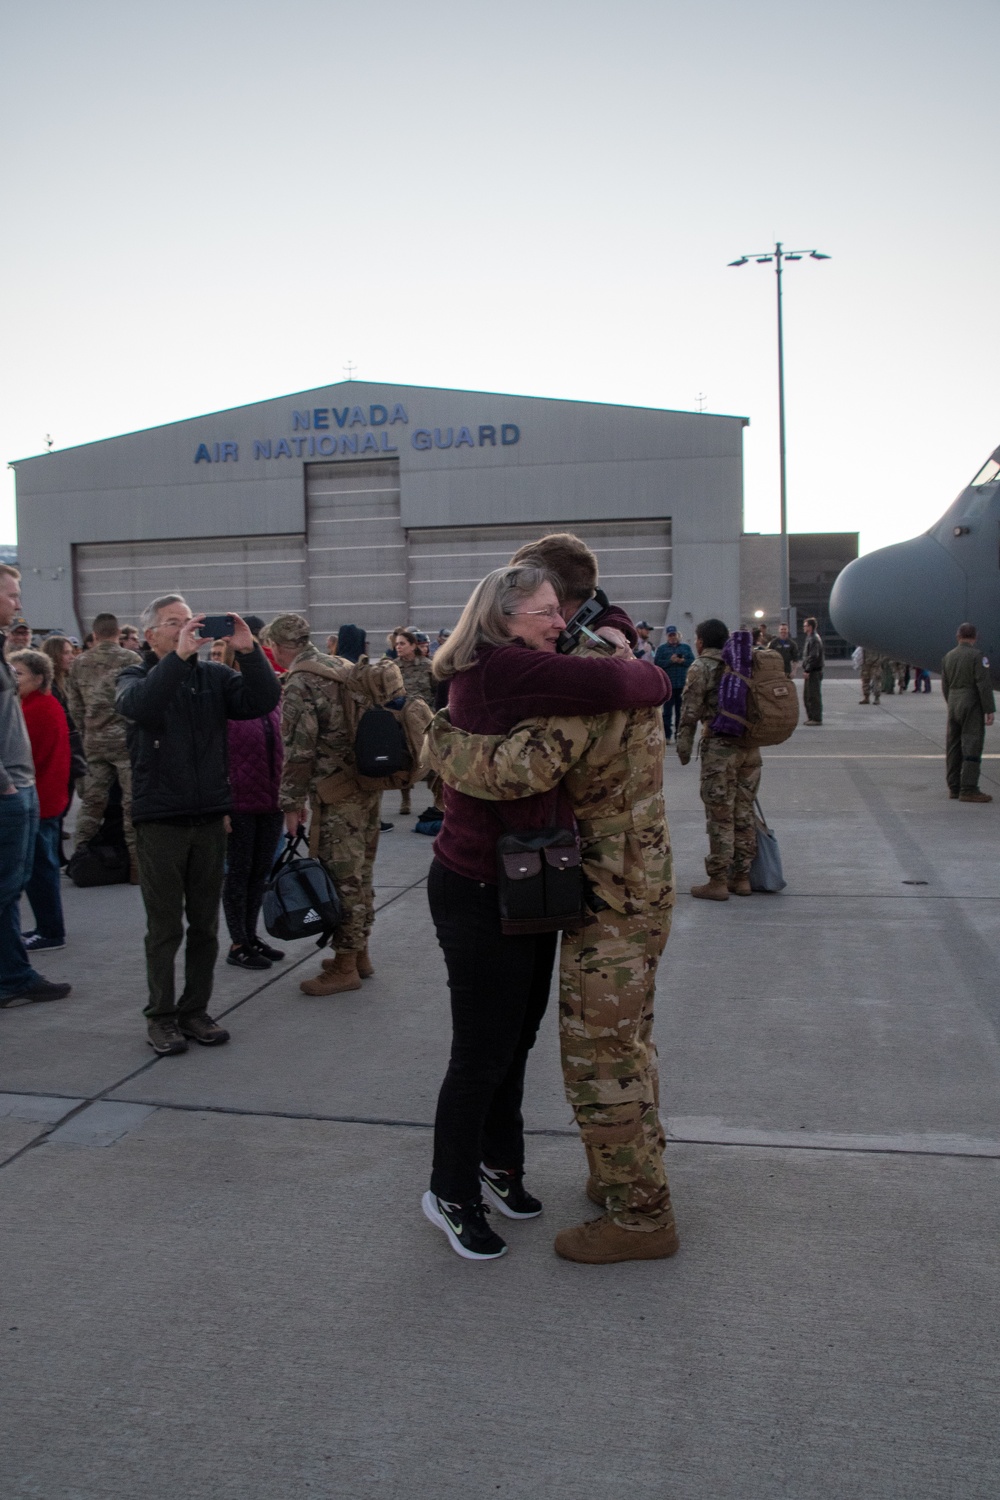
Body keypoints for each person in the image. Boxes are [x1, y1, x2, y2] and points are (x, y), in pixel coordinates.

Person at [426, 545, 678, 1265]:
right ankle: (619, 1176)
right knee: (627, 1043)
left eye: (546, 607)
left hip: (604, 887)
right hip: (638, 877)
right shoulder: (612, 655)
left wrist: (435, 737)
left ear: (559, 610)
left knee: (603, 1056)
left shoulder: (586, 681)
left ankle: (640, 1211)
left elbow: (516, 770)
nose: (547, 622)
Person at [116, 595, 281, 1055]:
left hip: (209, 816)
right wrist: (181, 658)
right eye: (172, 623)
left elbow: (262, 700)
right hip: (161, 820)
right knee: (166, 927)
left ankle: (194, 1010)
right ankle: (161, 1017)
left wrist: (248, 651)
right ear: (150, 635)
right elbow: (142, 706)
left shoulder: (214, 677)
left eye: (187, 620)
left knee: (206, 927)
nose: (184, 628)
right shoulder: (134, 676)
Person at [271, 612, 403, 996]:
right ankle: (359, 953)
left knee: (342, 879)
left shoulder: (301, 680)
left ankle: (344, 966)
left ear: (280, 647)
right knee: (360, 874)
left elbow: (299, 750)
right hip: (366, 784)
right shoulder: (343, 666)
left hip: (335, 793)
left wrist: (291, 803)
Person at [0, 564, 72, 1006]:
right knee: (5, 889)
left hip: (18, 789)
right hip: (8, 790)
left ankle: (14, 975)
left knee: (10, 889)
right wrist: (6, 783)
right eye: (11, 595)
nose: (18, 603)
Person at [676, 618, 761, 901]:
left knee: (720, 815)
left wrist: (684, 748)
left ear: (700, 641)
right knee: (743, 812)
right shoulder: (742, 663)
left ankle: (718, 881)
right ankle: (743, 877)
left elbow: (689, 712)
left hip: (720, 751)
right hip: (750, 749)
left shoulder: (701, 666)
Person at [217, 641, 286, 970]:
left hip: (270, 798)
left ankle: (251, 934)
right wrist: (222, 806)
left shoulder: (272, 697)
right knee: (238, 874)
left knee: (260, 873)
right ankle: (238, 942)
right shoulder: (223, 699)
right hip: (239, 802)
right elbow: (215, 756)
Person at [66, 612, 143, 882]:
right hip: (125, 742)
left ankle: (79, 859)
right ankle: (136, 868)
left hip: (94, 742)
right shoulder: (131, 659)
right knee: (131, 805)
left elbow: (74, 705)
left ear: (95, 635)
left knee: (91, 803)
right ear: (118, 633)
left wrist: (86, 730)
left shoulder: (79, 662)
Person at [9, 649, 70, 952]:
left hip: (40, 800)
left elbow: (26, 758)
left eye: (18, 673)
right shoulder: (41, 705)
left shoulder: (35, 710)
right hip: (48, 798)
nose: (12, 678)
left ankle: (50, 930)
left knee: (40, 870)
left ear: (39, 677)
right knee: (40, 867)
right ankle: (48, 927)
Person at [941, 623, 995, 803]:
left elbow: (945, 685)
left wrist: (952, 702)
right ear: (975, 637)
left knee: (953, 746)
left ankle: (954, 788)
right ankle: (969, 789)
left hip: (954, 702)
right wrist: (989, 709)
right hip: (970, 703)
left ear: (958, 637)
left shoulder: (948, 656)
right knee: (972, 744)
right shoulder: (977, 656)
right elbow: (983, 684)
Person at [391, 628, 436, 816]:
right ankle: (405, 799)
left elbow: (438, 691)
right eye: (396, 644)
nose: (398, 647)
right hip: (403, 720)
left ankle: (437, 800)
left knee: (432, 760)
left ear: (413, 646)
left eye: (402, 643)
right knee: (406, 760)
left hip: (426, 720)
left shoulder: (428, 666)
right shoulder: (393, 668)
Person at [654, 626, 694, 742]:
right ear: (667, 636)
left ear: (677, 635)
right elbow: (657, 663)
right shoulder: (662, 649)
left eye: (674, 635)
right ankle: (667, 735)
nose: (672, 637)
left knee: (680, 712)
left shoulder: (685, 648)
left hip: (682, 684)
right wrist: (670, 661)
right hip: (668, 685)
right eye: (670, 635)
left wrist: (683, 661)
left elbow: (692, 661)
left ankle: (678, 735)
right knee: (666, 712)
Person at [802, 616, 824, 726]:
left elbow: (814, 656)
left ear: (810, 627)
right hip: (812, 671)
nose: (804, 628)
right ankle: (811, 717)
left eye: (805, 626)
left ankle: (816, 718)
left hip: (813, 672)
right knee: (807, 696)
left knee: (813, 695)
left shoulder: (814, 639)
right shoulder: (810, 638)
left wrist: (807, 669)